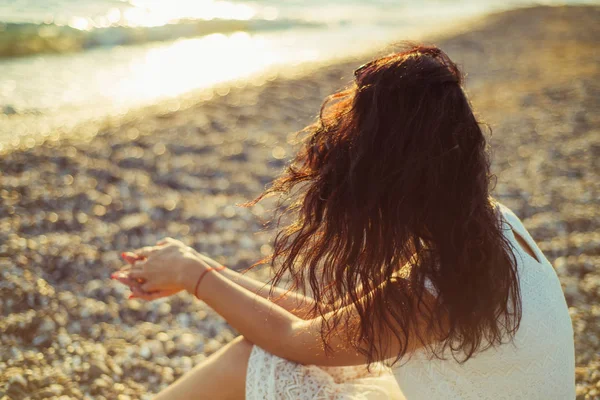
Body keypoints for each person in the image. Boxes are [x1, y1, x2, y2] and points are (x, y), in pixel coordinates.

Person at [111, 45, 575, 399]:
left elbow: (294, 339)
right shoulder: (489, 225)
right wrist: (196, 265)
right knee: (266, 357)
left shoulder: (437, 288)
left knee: (255, 360)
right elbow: (333, 325)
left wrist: (195, 277)